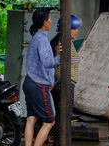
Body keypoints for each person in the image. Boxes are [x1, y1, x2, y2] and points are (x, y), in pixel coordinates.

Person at [24, 8, 61, 146]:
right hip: (38, 85)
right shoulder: (42, 40)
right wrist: (60, 58)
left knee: (31, 119)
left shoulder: (37, 38)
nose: (52, 20)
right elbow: (47, 62)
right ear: (44, 22)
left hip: (29, 82)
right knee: (49, 121)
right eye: (50, 18)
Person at [50, 15, 82, 146]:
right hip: (64, 84)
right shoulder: (64, 42)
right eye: (74, 28)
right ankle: (60, 143)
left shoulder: (63, 41)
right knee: (64, 117)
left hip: (61, 83)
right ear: (67, 29)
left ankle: (59, 143)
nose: (77, 31)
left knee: (61, 116)